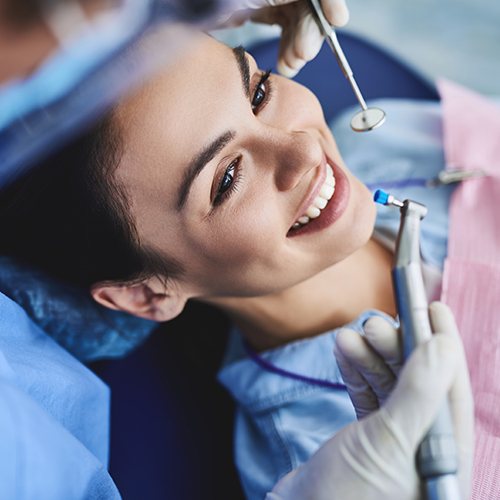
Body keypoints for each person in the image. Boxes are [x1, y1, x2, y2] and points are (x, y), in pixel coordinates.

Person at [0, 29, 474, 499]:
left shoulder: (404, 143)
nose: (305, 150)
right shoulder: (318, 458)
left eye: (258, 92)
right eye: (227, 178)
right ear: (146, 294)